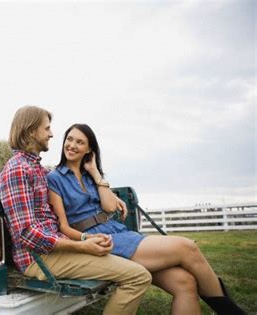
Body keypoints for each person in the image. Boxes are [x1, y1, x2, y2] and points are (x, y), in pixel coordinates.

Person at [47, 123, 246, 315]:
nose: (72, 145)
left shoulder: (91, 176)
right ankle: (231, 311)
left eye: (80, 142)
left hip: (117, 231)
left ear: (89, 148)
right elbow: (63, 226)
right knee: (187, 247)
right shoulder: (55, 178)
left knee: (185, 283)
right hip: (98, 239)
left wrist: (95, 172)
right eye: (69, 139)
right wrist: (86, 240)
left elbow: (109, 207)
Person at [0, 106, 152, 315]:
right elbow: (28, 233)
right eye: (47, 128)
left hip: (56, 250)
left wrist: (111, 195)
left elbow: (64, 179)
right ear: (32, 131)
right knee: (138, 277)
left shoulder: (35, 168)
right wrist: (83, 246)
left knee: (138, 273)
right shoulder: (17, 169)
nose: (52, 134)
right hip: (39, 259)